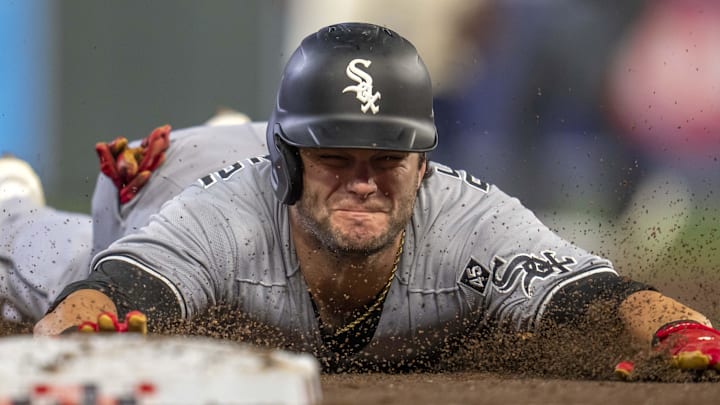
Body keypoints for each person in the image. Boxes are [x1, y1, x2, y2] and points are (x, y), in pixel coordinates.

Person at [34, 22, 720, 376]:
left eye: (387, 158)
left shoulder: (470, 222)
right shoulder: (221, 218)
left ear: (424, 165)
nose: (364, 178)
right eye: (336, 156)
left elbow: (600, 295)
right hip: (175, 185)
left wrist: (679, 328)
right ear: (290, 158)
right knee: (55, 266)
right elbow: (110, 288)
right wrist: (80, 323)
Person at [0, 118, 266, 323]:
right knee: (84, 283)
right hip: (169, 190)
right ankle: (9, 209)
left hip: (240, 159)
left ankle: (220, 149)